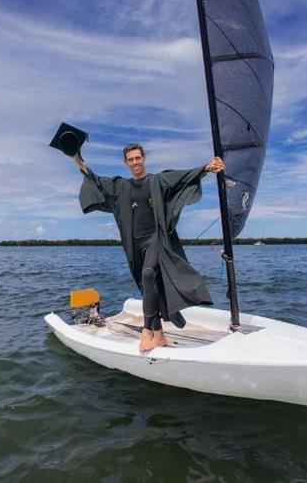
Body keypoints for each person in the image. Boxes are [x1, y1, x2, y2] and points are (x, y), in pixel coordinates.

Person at [71, 144, 225, 351]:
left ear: (143, 159)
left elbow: (182, 178)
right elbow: (97, 182)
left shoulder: (157, 181)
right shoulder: (121, 186)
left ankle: (147, 331)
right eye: (131, 159)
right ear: (126, 163)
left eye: (138, 158)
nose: (135, 162)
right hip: (134, 243)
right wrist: (78, 161)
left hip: (155, 239)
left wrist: (206, 167)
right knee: (149, 286)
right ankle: (159, 334)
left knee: (148, 274)